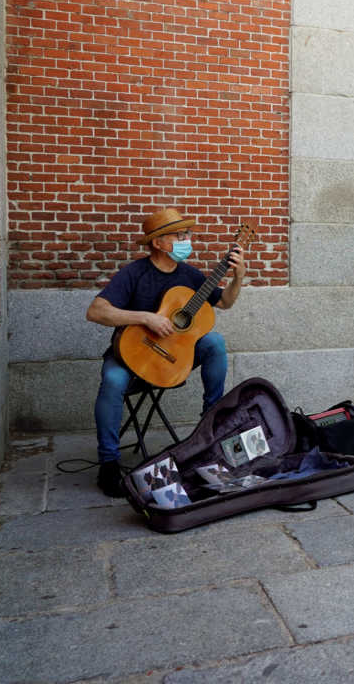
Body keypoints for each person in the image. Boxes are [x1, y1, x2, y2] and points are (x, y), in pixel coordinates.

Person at [86, 207, 246, 496]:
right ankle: (108, 463)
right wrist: (145, 318)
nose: (187, 240)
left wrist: (237, 278)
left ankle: (210, 427)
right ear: (158, 242)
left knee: (215, 343)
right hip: (129, 355)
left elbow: (224, 303)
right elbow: (96, 311)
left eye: (188, 234)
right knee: (112, 382)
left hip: (171, 360)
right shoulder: (134, 273)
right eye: (179, 235)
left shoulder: (190, 275)